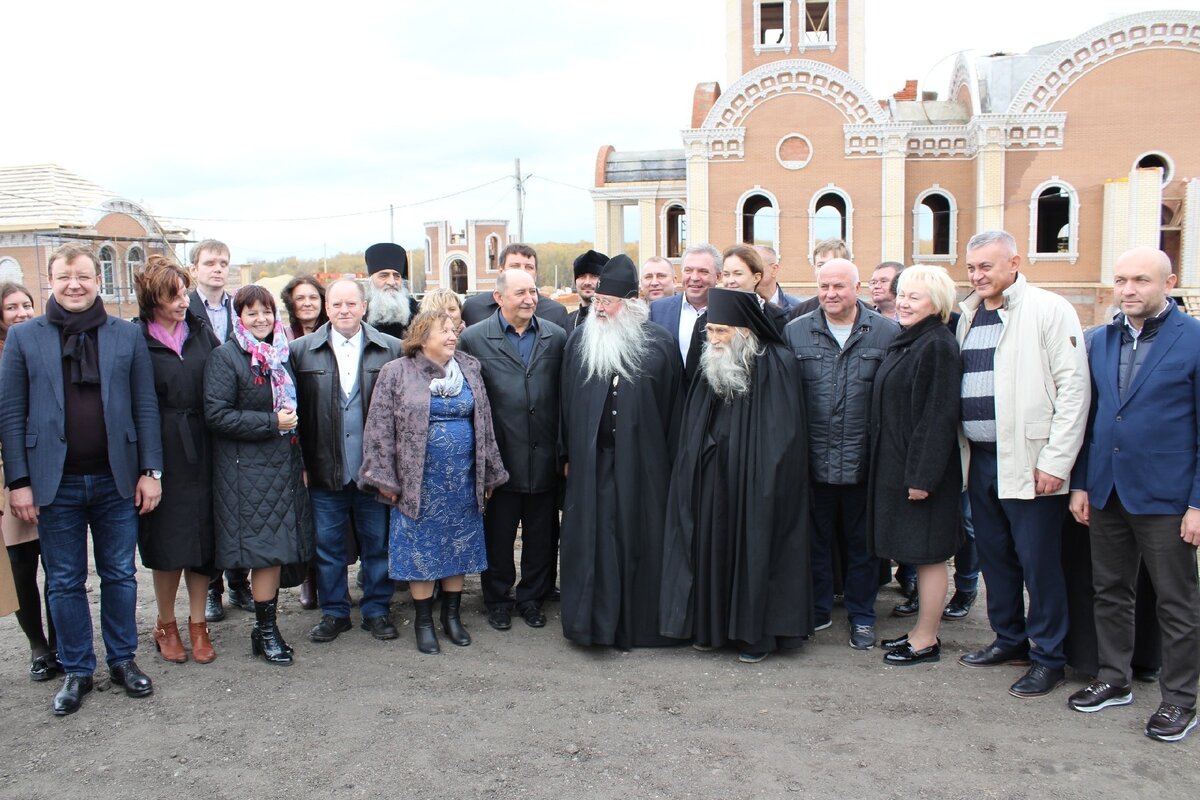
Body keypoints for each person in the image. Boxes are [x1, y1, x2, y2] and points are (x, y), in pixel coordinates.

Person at [0, 243, 163, 715]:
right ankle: (76, 668)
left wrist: (151, 471)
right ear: (51, 280)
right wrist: (20, 482)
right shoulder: (25, 338)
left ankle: (122, 660)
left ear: (98, 281)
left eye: (84, 276)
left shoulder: (124, 336)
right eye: (65, 275)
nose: (75, 284)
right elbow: (10, 416)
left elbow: (145, 406)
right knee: (65, 581)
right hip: (55, 484)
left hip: (116, 481)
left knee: (119, 574)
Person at [1067, 246, 1200, 742]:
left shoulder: (1194, 341)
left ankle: (1180, 700)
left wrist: (1197, 503)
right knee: (1109, 592)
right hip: (1106, 491)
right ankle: (1114, 677)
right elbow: (1094, 417)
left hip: (1168, 498)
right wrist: (1081, 483)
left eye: (1141, 280)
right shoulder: (1100, 340)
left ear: (1168, 282)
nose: (1128, 290)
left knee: (1176, 602)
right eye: (1121, 279)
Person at [957, 230, 1089, 699]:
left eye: (986, 267)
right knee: (996, 557)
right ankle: (1009, 639)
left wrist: (1057, 460)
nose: (977, 275)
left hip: (1032, 462)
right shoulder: (969, 314)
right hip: (983, 460)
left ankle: (1048, 657)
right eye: (972, 267)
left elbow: (1074, 390)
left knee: (1039, 563)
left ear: (1014, 261)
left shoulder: (1049, 310)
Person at [660, 287, 812, 662]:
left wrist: (758, 473)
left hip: (757, 483)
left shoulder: (777, 362)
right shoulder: (711, 360)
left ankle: (756, 636)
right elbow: (694, 420)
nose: (713, 339)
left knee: (756, 550)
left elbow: (783, 436)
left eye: (721, 331)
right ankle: (712, 629)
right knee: (712, 549)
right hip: (713, 478)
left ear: (745, 331)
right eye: (709, 331)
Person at [360, 310, 508, 653]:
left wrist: (487, 471)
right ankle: (424, 622)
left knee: (458, 547)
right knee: (421, 552)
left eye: (453, 329)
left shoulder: (469, 367)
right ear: (422, 337)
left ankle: (452, 618)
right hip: (417, 483)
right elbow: (379, 427)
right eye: (443, 331)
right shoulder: (396, 372)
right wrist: (384, 477)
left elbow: (483, 421)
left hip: (461, 480)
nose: (452, 335)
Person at [560, 255, 683, 649]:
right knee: (594, 541)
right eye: (596, 301)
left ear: (629, 306)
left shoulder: (660, 345)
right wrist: (567, 454)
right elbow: (565, 404)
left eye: (607, 303)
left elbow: (674, 411)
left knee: (637, 540)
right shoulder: (580, 340)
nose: (599, 309)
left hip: (644, 466)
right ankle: (590, 625)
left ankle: (639, 626)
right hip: (591, 464)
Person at [784, 258, 899, 649]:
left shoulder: (886, 333)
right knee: (814, 542)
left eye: (839, 287)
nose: (831, 294)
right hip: (812, 463)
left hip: (863, 463)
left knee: (862, 547)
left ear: (857, 287)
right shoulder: (795, 332)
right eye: (824, 287)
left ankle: (862, 615)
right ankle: (817, 610)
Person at [204, 285, 315, 666]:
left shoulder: (281, 354)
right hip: (245, 473)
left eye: (266, 312)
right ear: (239, 318)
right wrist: (271, 422)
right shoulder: (226, 357)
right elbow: (216, 415)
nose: (261, 319)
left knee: (276, 551)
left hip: (283, 467)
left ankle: (263, 630)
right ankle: (267, 632)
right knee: (264, 551)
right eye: (251, 313)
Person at [290, 279, 402, 644]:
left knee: (377, 544)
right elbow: (296, 417)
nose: (343, 310)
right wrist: (303, 464)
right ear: (326, 308)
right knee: (328, 547)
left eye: (351, 304)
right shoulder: (302, 352)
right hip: (325, 469)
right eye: (336, 304)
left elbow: (402, 416)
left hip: (375, 472)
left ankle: (376, 610)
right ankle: (335, 612)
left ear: (364, 306)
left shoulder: (391, 350)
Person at [457, 268, 566, 631]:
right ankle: (498, 599)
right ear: (499, 297)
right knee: (499, 536)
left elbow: (564, 398)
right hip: (499, 458)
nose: (529, 299)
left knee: (541, 535)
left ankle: (532, 598)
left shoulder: (556, 337)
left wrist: (562, 452)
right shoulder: (474, 339)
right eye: (520, 293)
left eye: (533, 291)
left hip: (544, 455)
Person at [866, 266, 963, 664]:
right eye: (901, 294)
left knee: (928, 555)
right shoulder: (910, 340)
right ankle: (919, 631)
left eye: (914, 297)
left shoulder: (936, 344)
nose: (903, 302)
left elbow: (937, 416)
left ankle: (926, 639)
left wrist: (922, 478)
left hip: (922, 472)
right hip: (899, 465)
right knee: (917, 552)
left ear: (936, 304)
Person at [135, 256, 221, 665]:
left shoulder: (201, 333)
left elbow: (225, 379)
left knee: (203, 541)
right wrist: (148, 468)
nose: (183, 301)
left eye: (184, 292)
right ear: (153, 299)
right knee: (167, 542)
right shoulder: (137, 338)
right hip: (162, 450)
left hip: (204, 446)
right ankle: (165, 624)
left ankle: (198, 624)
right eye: (173, 295)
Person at [188, 239, 254, 622]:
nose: (217, 268)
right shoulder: (187, 308)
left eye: (223, 262)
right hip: (197, 419)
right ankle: (211, 588)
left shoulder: (238, 308)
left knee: (237, 504)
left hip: (235, 418)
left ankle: (239, 583)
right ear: (194, 268)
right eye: (209, 262)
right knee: (207, 507)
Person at [0, 282, 58, 682]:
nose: (21, 312)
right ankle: (38, 646)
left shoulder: (42, 346)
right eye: (11, 307)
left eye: (26, 304)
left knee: (60, 565)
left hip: (50, 466)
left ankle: (63, 642)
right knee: (22, 564)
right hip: (10, 473)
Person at [649, 243, 721, 385]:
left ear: (718, 276)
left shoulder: (727, 312)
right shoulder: (657, 311)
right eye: (688, 270)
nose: (694, 277)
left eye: (703, 271)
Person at [461, 244, 570, 329]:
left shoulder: (556, 312)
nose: (522, 271)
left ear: (536, 274)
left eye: (529, 267)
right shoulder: (473, 308)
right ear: (500, 271)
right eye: (515, 266)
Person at [720, 245, 789, 334]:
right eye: (726, 274)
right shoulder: (709, 315)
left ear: (756, 278)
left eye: (738, 274)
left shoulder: (776, 317)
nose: (730, 281)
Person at [362, 243, 421, 340]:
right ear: (371, 280)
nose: (392, 282)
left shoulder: (414, 309)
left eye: (396, 276)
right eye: (384, 275)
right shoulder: (361, 309)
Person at [787, 238, 852, 320]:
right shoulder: (798, 314)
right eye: (820, 265)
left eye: (832, 264)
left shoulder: (869, 315)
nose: (826, 270)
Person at [565, 249, 607, 334]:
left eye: (594, 276)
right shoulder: (566, 322)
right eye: (582, 276)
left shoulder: (613, 320)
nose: (587, 282)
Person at [281, 274, 328, 342]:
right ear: (290, 302)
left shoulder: (335, 335)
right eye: (300, 298)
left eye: (313, 297)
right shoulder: (282, 338)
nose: (307, 303)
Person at [753, 245, 801, 312]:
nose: (749, 273)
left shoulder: (797, 309)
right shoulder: (738, 308)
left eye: (754, 267)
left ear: (774, 270)